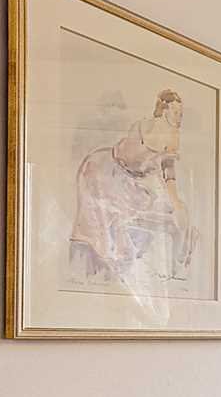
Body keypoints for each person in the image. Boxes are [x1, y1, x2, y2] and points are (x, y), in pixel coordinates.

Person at [68, 89, 199, 288]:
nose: (179, 117)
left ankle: (115, 273)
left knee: (134, 221)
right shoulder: (143, 125)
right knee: (94, 221)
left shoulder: (173, 136)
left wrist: (176, 202)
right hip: (105, 169)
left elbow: (168, 172)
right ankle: (87, 273)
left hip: (132, 182)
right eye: (175, 112)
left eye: (181, 113)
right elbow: (131, 157)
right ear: (164, 111)